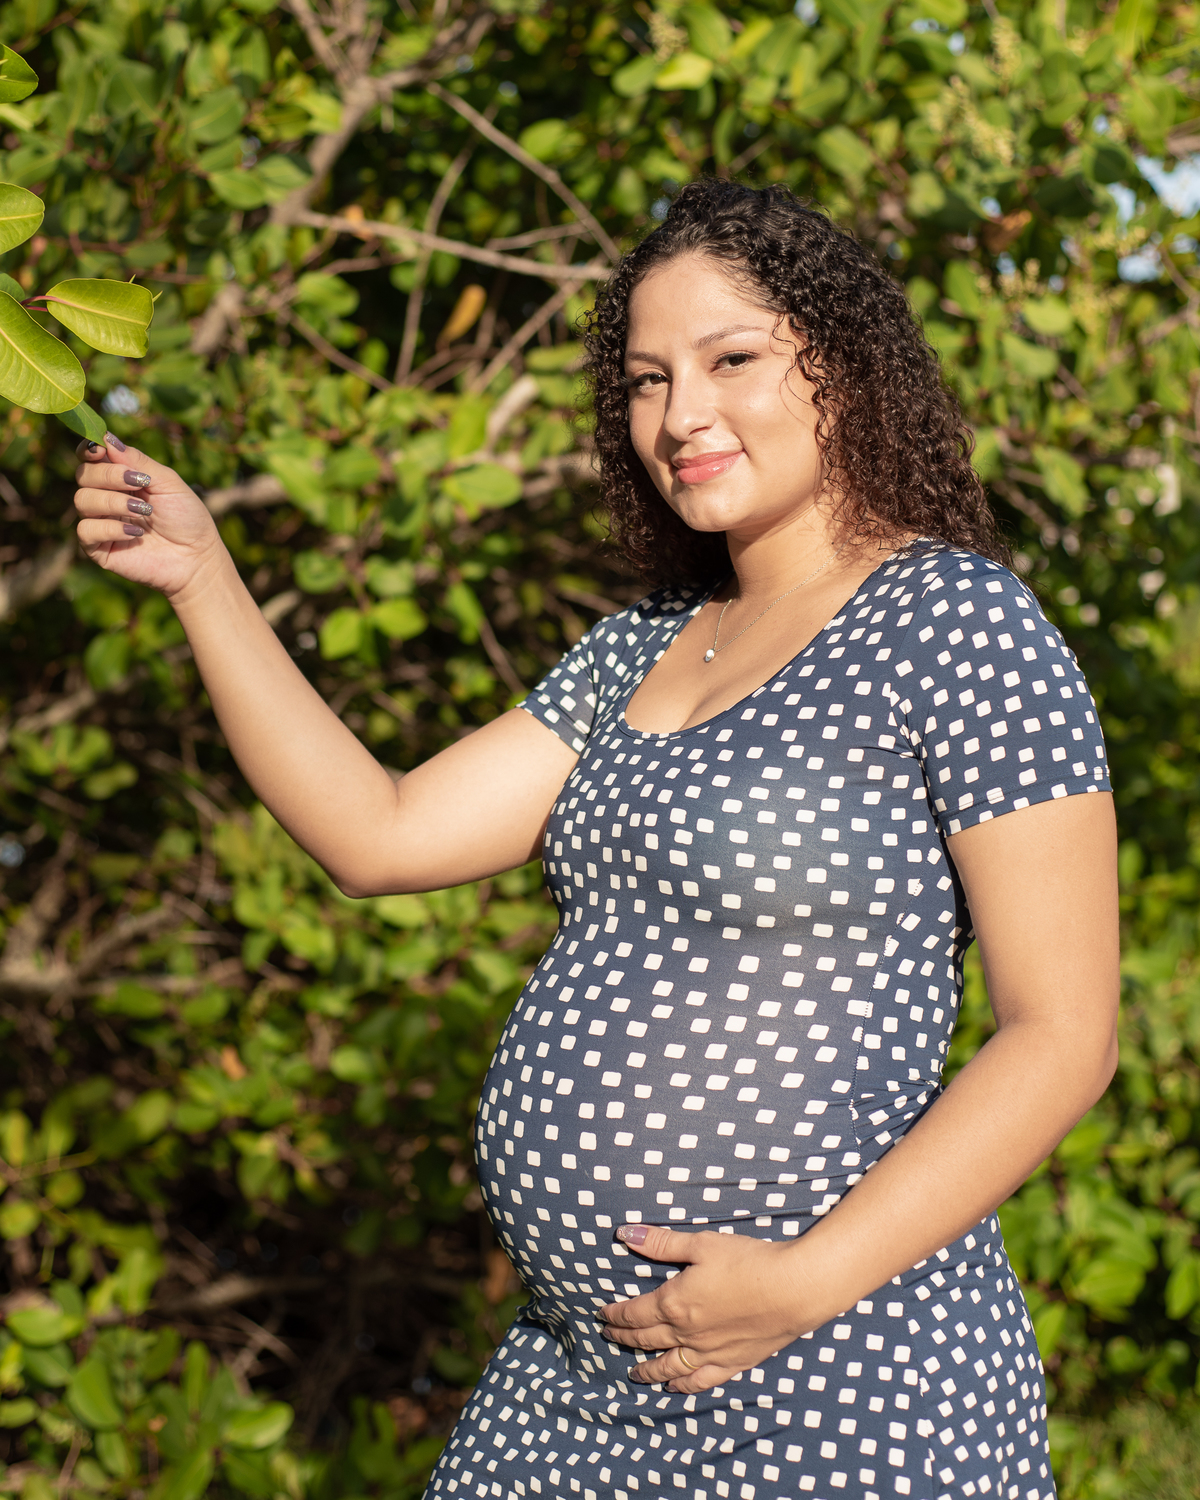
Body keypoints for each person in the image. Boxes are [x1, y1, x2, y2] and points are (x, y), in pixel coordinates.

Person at [74, 180, 1118, 1500]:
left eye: (731, 359)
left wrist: (799, 1287)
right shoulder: (639, 649)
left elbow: (1063, 1035)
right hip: (577, 1383)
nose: (681, 416)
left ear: (842, 368)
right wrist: (201, 574)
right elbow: (380, 834)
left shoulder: (960, 629)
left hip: (846, 1365)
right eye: (644, 380)